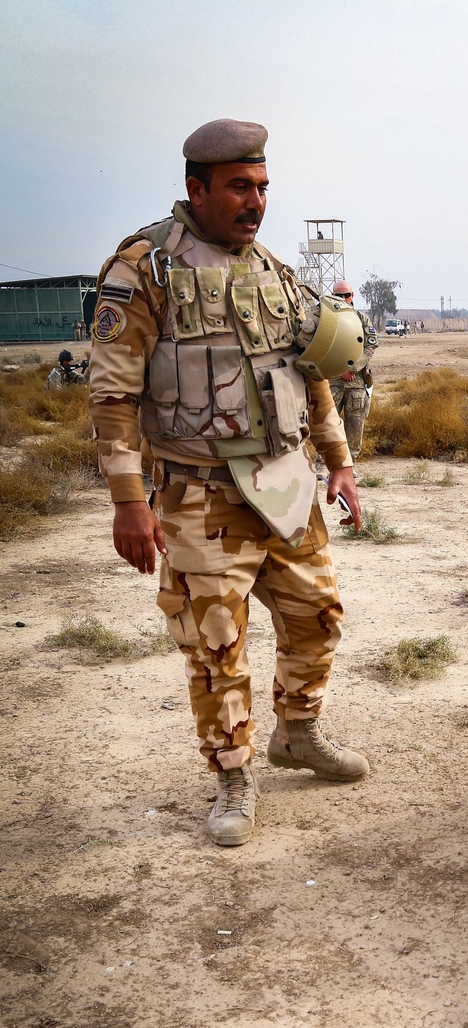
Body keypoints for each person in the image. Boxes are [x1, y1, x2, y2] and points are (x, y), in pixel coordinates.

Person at [88, 118, 370, 847]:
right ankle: (233, 777)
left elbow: (311, 375)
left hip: (284, 482)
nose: (256, 201)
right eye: (241, 187)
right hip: (197, 493)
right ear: (196, 188)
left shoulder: (273, 271)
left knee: (319, 616)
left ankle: (298, 733)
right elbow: (113, 395)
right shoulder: (144, 269)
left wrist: (338, 462)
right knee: (217, 648)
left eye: (264, 187)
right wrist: (127, 501)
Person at [327, 279, 378, 458]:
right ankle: (324, 464)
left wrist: (352, 369)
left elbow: (370, 348)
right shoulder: (326, 320)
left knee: (355, 426)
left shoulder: (362, 320)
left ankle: (349, 465)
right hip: (333, 380)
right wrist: (340, 369)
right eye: (338, 295)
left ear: (352, 296)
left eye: (346, 295)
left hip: (356, 382)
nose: (342, 299)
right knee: (327, 425)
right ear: (332, 296)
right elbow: (322, 348)